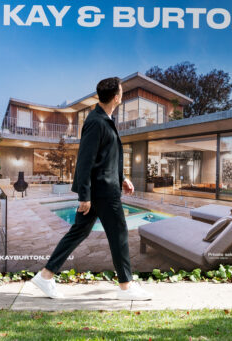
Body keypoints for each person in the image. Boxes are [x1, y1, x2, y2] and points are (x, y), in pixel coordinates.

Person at [31, 77, 152, 300]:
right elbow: (85, 161)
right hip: (102, 191)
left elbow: (105, 158)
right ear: (117, 97)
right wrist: (85, 196)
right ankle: (126, 287)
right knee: (119, 234)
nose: (122, 95)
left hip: (105, 186)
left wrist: (123, 177)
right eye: (122, 92)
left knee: (79, 231)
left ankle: (45, 276)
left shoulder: (105, 119)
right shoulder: (96, 121)